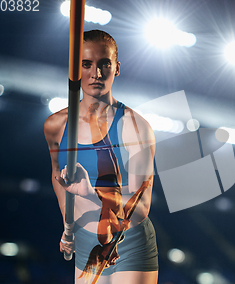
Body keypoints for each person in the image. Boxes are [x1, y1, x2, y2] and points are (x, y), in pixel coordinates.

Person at [44, 30, 158, 284]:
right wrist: (68, 225)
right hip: (87, 239)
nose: (96, 73)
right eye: (87, 64)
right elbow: (57, 176)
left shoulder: (135, 127)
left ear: (117, 68)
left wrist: (90, 192)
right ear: (75, 69)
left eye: (104, 64)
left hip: (129, 241)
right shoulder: (55, 125)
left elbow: (139, 208)